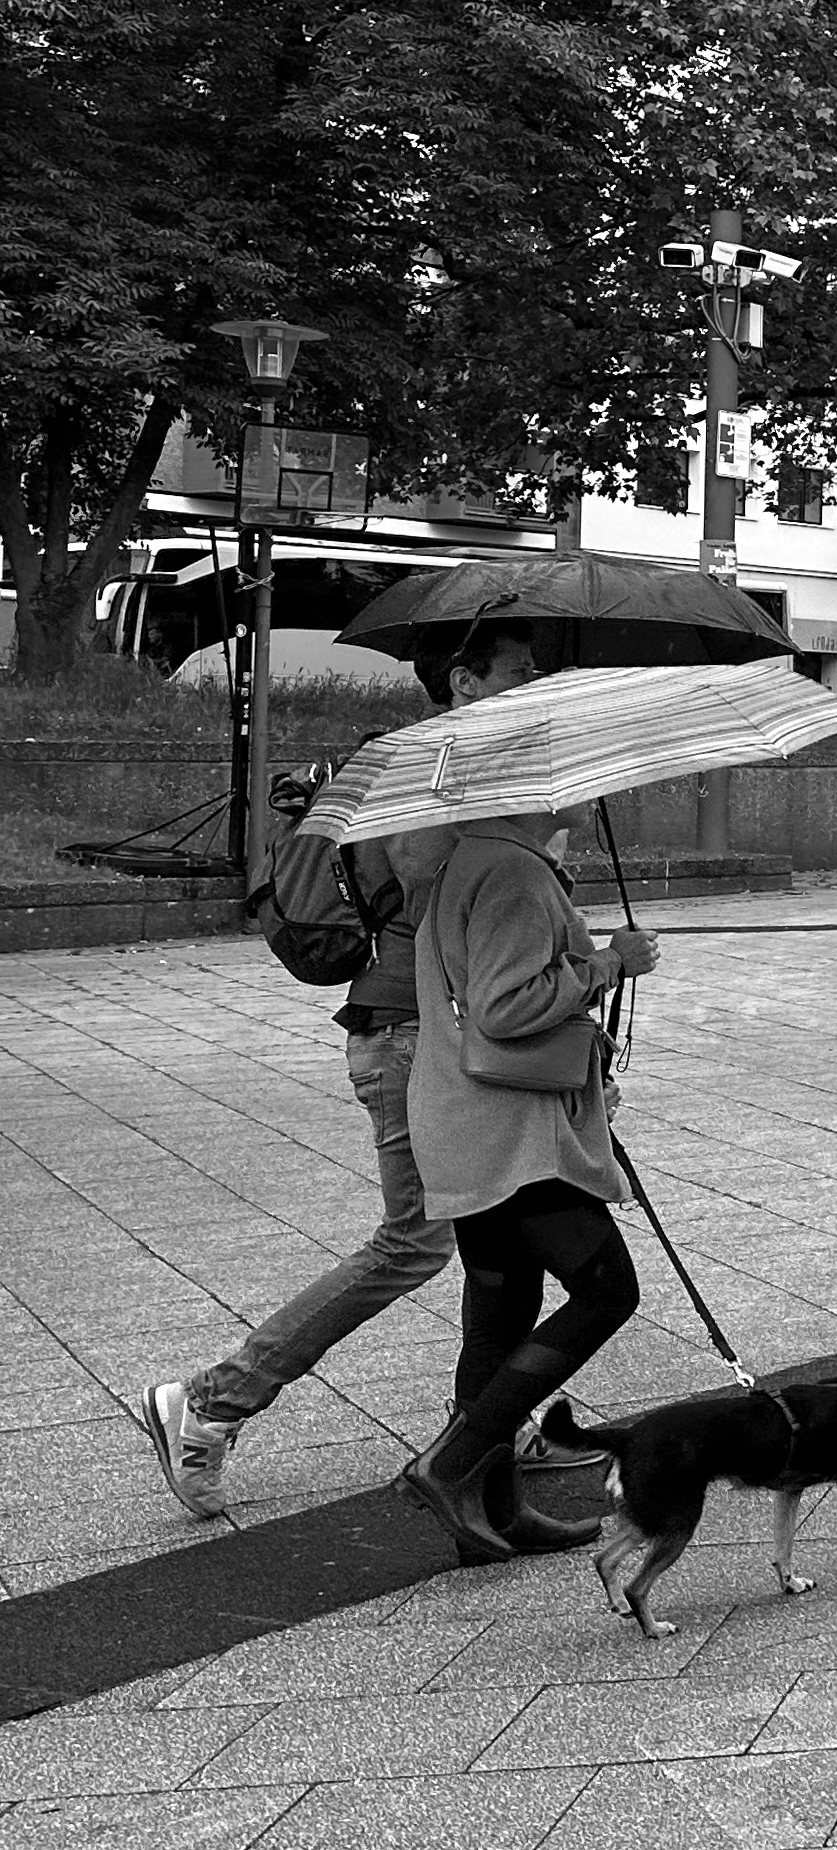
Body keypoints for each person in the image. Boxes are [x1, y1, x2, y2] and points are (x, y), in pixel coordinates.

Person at [129, 621, 610, 1518]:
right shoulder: (423, 770)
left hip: (452, 1038)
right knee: (416, 1243)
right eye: (518, 670)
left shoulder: (473, 772)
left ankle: (490, 1432)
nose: (533, 682)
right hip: (416, 1035)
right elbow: (448, 908)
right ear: (464, 680)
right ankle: (214, 1400)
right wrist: (529, 871)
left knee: (498, 1249)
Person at [396, 795, 659, 1562]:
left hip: (467, 1123)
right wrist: (611, 963)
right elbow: (505, 1009)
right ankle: (451, 1465)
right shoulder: (512, 872)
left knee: (502, 1314)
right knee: (608, 1291)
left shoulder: (471, 859)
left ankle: (497, 1513)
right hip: (512, 1136)